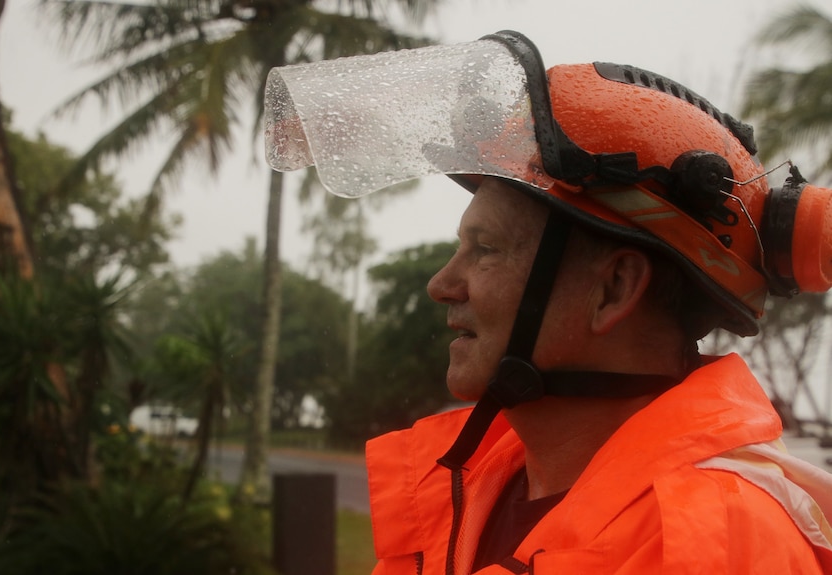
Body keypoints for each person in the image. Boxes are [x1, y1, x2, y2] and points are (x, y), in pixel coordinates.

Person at [264, 31, 832, 574]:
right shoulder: (466, 487)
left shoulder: (714, 543)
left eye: (485, 250)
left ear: (612, 291)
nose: (441, 283)